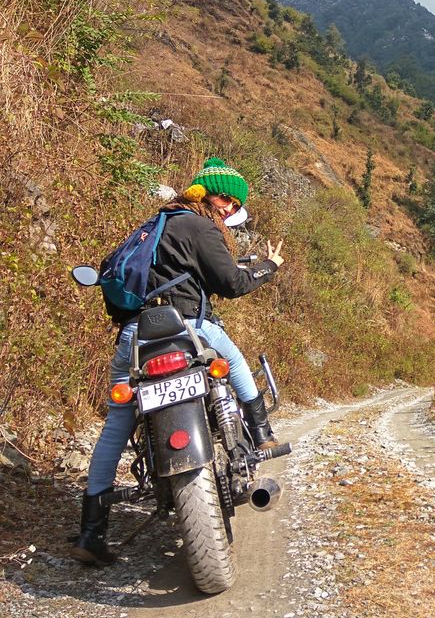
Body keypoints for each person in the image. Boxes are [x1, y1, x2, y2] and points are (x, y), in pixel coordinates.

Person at [71, 157, 286, 567]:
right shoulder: (201, 227)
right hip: (188, 327)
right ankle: (261, 433)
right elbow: (233, 283)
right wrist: (269, 267)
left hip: (137, 335)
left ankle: (91, 531)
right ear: (212, 196)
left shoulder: (151, 227)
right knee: (236, 363)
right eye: (229, 201)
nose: (229, 210)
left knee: (116, 425)